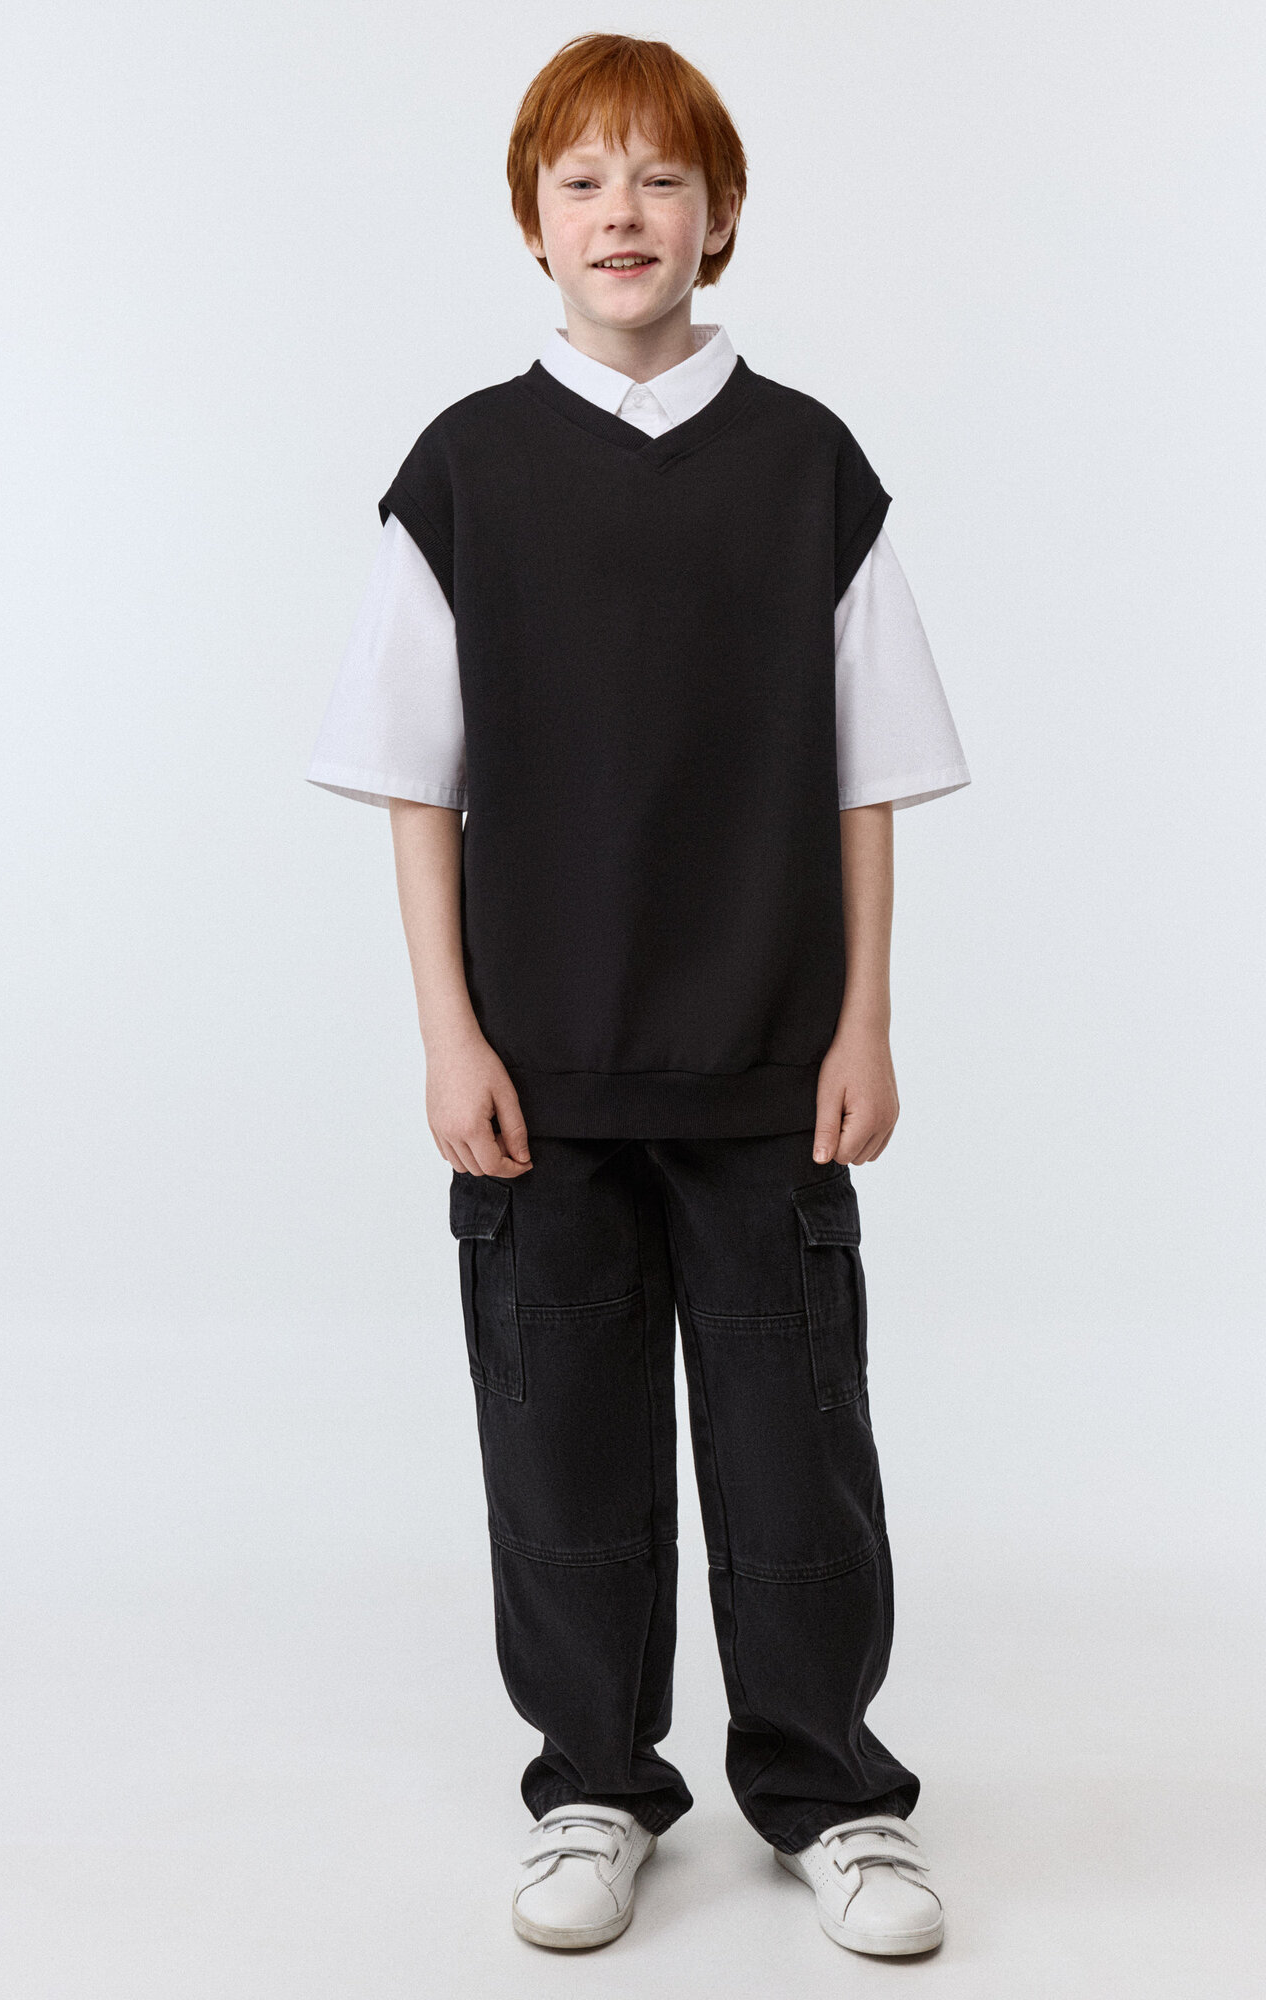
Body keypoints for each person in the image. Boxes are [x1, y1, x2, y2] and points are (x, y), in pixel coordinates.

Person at [306, 30, 969, 1959]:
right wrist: (449, 1035)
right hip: (541, 1072)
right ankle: (593, 1783)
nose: (623, 212)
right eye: (583, 180)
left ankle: (833, 1794)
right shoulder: (465, 473)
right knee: (565, 1456)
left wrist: (864, 1021)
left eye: (662, 179)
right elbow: (416, 787)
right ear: (531, 220)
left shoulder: (809, 469)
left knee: (796, 1460)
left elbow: (866, 780)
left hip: (769, 1066)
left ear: (720, 214)